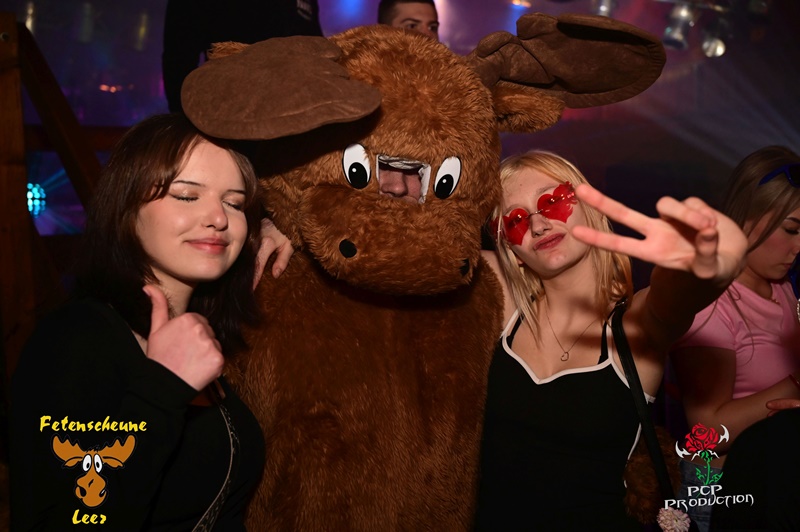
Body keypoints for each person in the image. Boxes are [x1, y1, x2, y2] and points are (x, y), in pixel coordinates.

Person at [9, 113, 291, 530]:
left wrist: (289, 234)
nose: (219, 217)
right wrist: (162, 390)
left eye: (234, 203)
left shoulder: (201, 333)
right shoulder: (76, 339)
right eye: (186, 196)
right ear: (127, 208)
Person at [474, 150, 747, 530]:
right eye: (516, 219)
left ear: (590, 209)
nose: (537, 224)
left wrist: (702, 267)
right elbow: (426, 248)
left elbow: (673, 298)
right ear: (512, 251)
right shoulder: (503, 306)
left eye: (552, 201)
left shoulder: (633, 326)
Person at [669, 146, 800, 531]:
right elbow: (705, 435)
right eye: (791, 229)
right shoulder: (710, 301)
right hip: (720, 491)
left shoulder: (782, 287)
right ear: (744, 217)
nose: (798, 247)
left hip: (776, 481)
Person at [162, 0, 323, 113]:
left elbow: (318, 51)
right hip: (230, 121)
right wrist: (186, 126)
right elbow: (178, 58)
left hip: (297, 122)